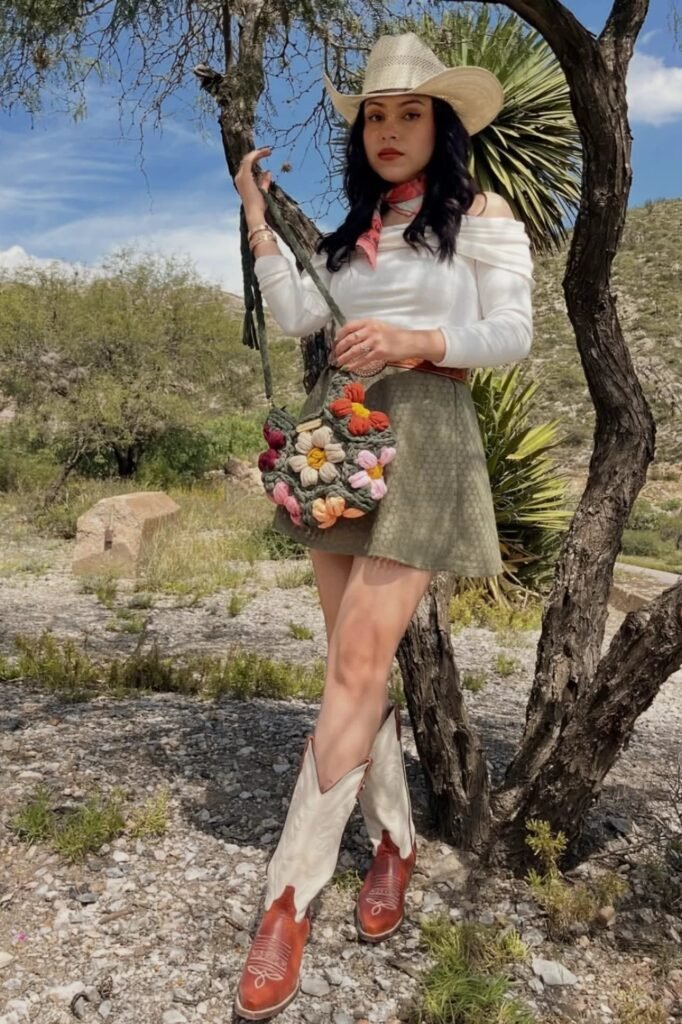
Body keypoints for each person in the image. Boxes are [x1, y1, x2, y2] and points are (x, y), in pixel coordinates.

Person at [232, 31, 533, 1021]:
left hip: (427, 432)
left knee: (359, 667)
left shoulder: (481, 216)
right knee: (346, 669)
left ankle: (288, 895)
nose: (392, 129)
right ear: (360, 131)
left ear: (440, 126)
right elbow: (292, 321)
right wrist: (257, 225)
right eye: (376, 115)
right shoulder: (348, 235)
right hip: (339, 439)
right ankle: (396, 842)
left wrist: (416, 337)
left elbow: (513, 333)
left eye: (411, 114)